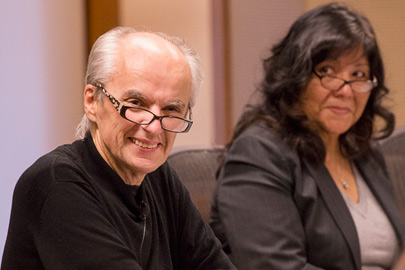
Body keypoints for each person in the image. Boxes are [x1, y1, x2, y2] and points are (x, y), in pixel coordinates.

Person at [2, 26, 235, 269]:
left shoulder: (159, 177)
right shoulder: (55, 183)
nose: (154, 128)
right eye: (135, 103)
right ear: (92, 101)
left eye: (171, 110)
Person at [210, 3, 405, 270]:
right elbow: (274, 266)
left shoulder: (363, 151)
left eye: (357, 75)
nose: (345, 90)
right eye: (327, 71)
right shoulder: (258, 152)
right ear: (295, 76)